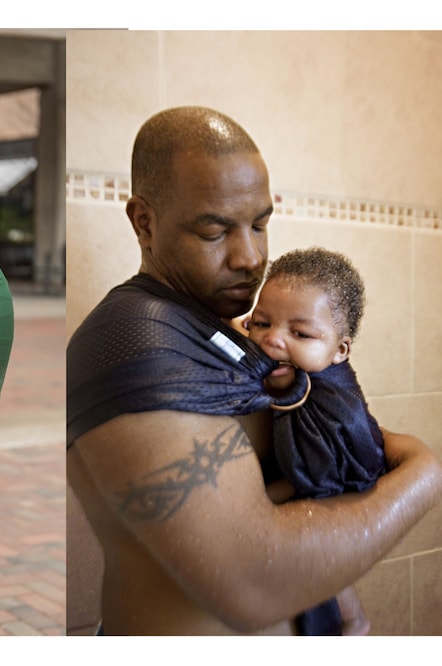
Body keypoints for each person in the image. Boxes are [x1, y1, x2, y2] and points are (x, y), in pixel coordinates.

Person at [66, 105, 442, 635]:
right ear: (144, 222)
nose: (249, 256)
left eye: (260, 224)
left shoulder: (214, 329)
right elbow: (251, 583)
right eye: (215, 231)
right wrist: (423, 475)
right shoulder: (135, 336)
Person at [244, 246, 384, 635]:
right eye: (260, 323)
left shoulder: (332, 396)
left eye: (300, 333)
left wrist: (276, 493)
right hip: (314, 472)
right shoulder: (298, 363)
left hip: (341, 473)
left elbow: (337, 451)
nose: (272, 340)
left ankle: (354, 618)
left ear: (340, 350)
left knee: (321, 560)